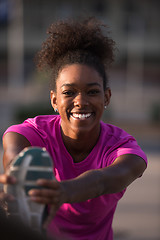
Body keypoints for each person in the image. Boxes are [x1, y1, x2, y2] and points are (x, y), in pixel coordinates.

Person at [1, 17, 147, 240]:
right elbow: (14, 153)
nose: (81, 101)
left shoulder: (122, 147)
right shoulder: (34, 133)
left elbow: (104, 180)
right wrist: (16, 182)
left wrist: (63, 192)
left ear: (106, 97)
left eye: (92, 92)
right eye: (69, 92)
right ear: (54, 100)